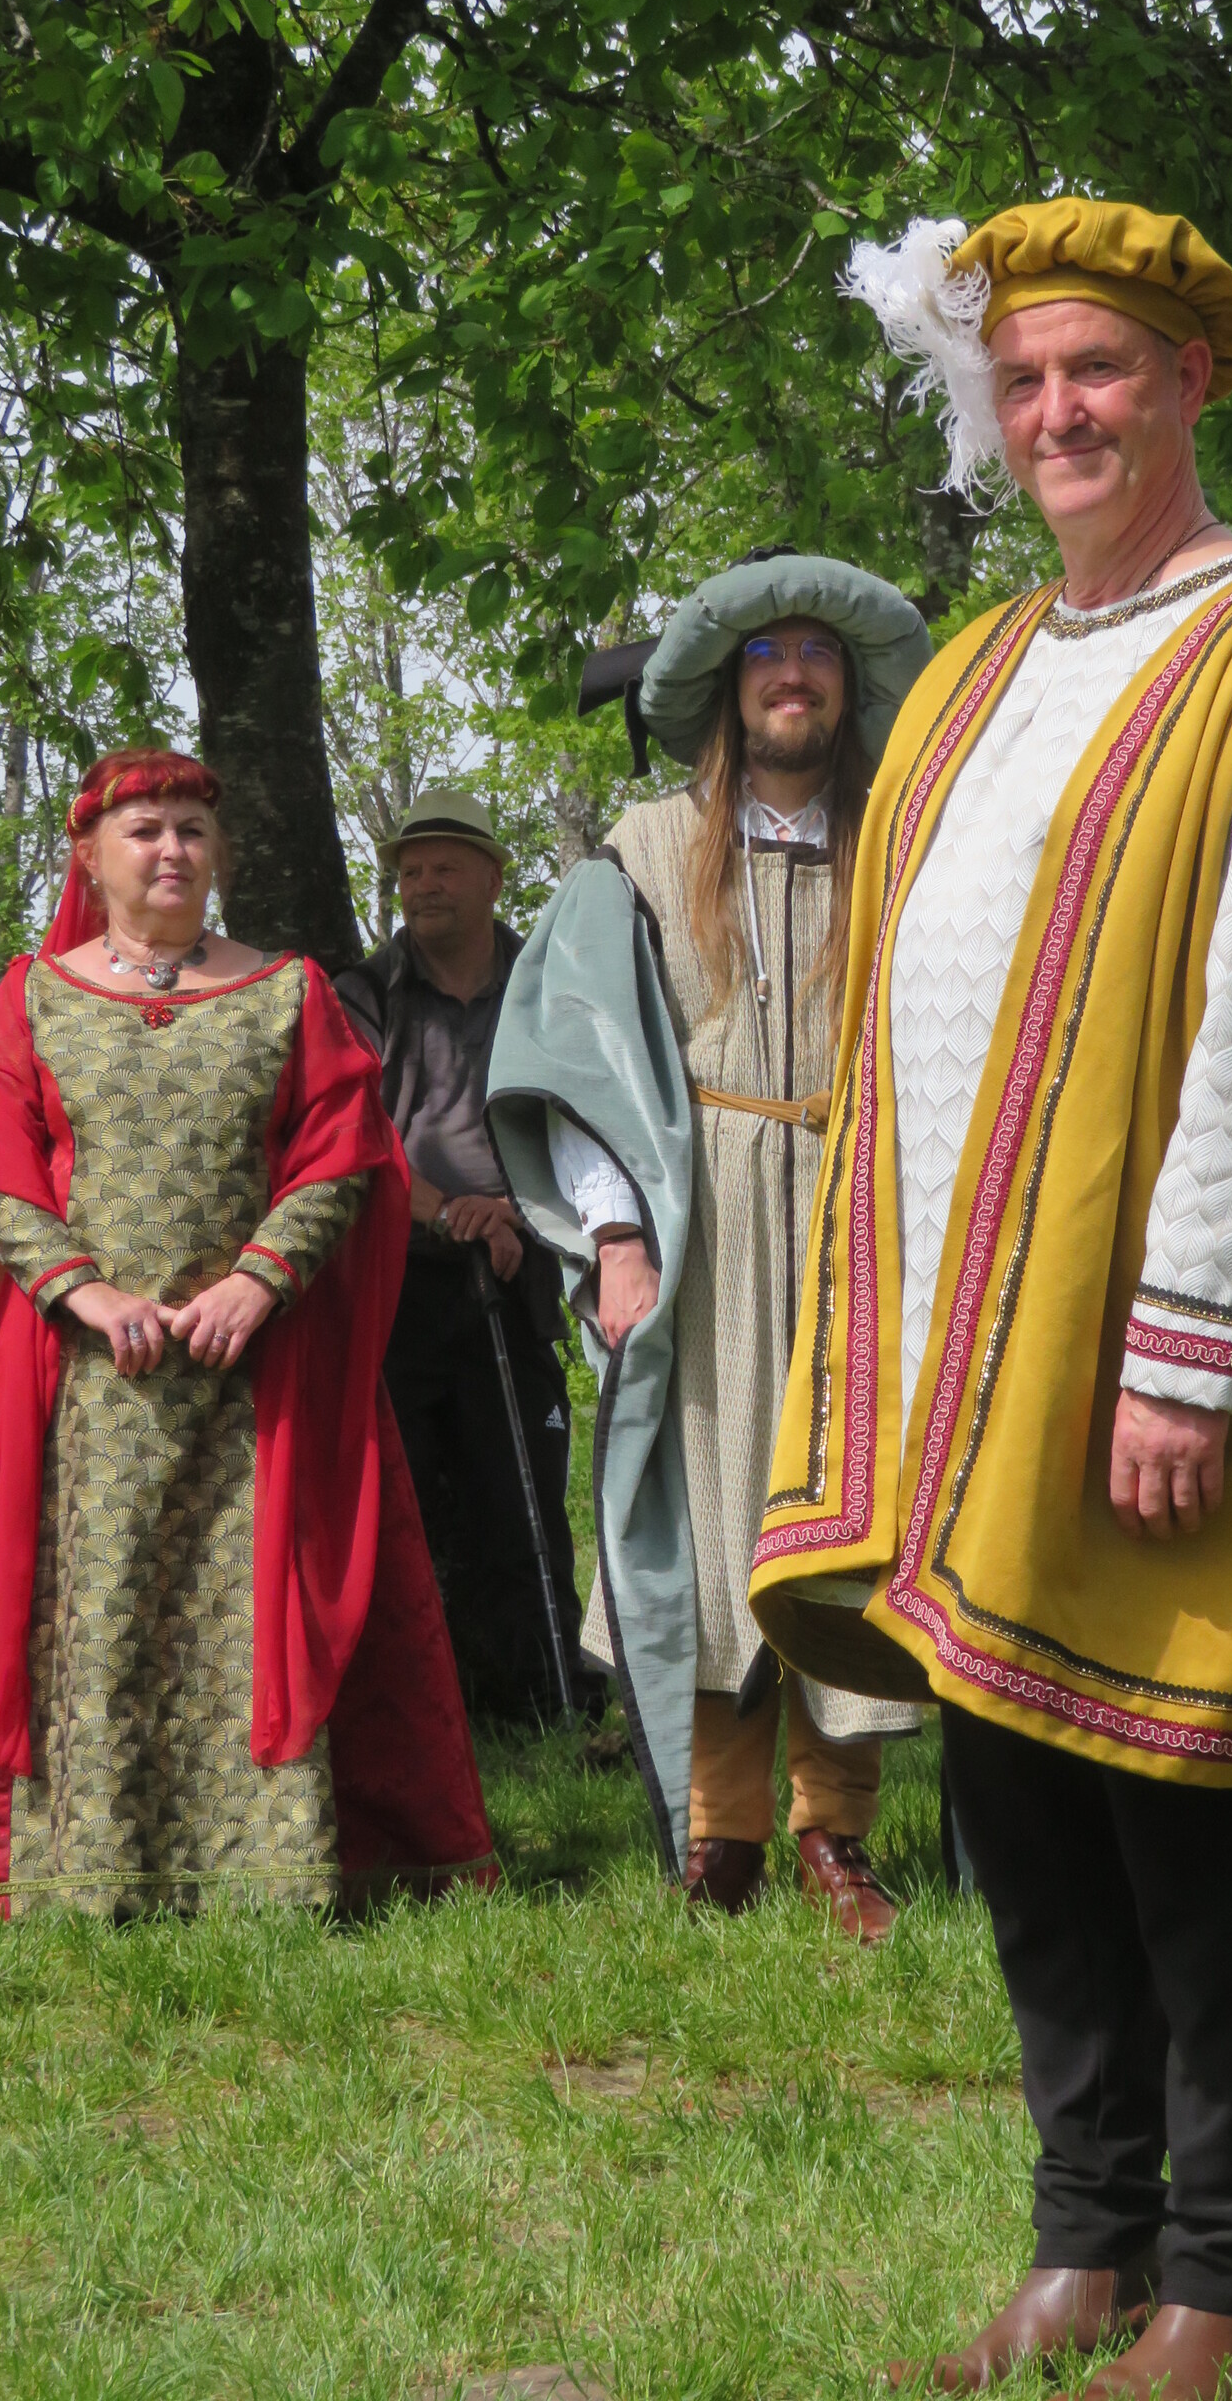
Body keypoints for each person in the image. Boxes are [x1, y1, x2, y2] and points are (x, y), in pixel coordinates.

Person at [751, 205, 1232, 2399]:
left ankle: (1222, 2280)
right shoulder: (969, 667)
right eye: (1023, 379)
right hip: (960, 1348)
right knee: (1018, 1808)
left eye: (1099, 371)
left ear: (1187, 382)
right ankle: (1081, 2243)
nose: (1057, 414)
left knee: (1183, 1810)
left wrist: (1188, 1351)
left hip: (1145, 1345)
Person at [0, 751, 495, 1914]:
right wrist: (86, 1295)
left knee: (250, 1614)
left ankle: (266, 1878)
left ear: (220, 855)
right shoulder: (34, 998)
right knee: (105, 1611)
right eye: (145, 829)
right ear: (89, 857)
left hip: (259, 1372)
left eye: (192, 829)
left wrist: (258, 1281)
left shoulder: (287, 993)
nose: (172, 850)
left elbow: (345, 1151)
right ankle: (97, 1873)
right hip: (93, 1381)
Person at [486, 553, 932, 1938]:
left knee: (852, 1521)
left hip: (867, 1212)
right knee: (709, 1520)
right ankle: (720, 1835)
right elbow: (586, 1060)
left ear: (848, 687)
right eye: (765, 655)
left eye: (817, 653)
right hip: (705, 1220)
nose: (793, 675)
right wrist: (616, 1238)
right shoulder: (643, 851)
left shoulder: (906, 840)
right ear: (729, 691)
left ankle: (836, 1833)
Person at [335, 790, 593, 1728]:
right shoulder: (361, 996)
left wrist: (516, 1216)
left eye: (445, 866)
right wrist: (451, 1213)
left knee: (522, 1485)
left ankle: (544, 1697)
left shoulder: (549, 987)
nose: (424, 885)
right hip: (396, 1281)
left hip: (521, 1271)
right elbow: (352, 1139)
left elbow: (587, 1119)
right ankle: (420, 1714)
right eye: (410, 871)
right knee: (401, 1498)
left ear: (492, 876)